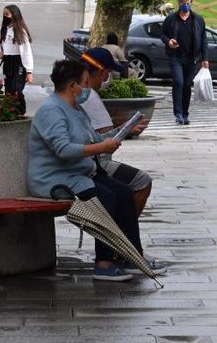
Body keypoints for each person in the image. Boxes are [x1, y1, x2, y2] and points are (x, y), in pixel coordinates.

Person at [27, 59, 166, 281]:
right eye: (84, 83)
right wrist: (102, 147)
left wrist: (124, 130)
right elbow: (63, 149)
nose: (87, 87)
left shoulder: (76, 108)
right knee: (106, 198)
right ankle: (103, 263)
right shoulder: (51, 110)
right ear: (73, 86)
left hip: (78, 173)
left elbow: (94, 138)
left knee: (124, 193)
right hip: (54, 179)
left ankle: (132, 255)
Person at [79, 48, 153, 216]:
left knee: (123, 191)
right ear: (103, 73)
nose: (108, 78)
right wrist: (121, 131)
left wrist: (124, 129)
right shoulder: (88, 96)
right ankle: (124, 232)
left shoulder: (81, 95)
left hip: (90, 160)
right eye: (109, 73)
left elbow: (98, 136)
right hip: (94, 164)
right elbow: (100, 140)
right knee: (143, 181)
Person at [160, 0, 208, 125]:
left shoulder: (198, 19)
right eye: (183, 4)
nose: (186, 6)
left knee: (187, 85)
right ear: (179, 4)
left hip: (192, 58)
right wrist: (168, 41)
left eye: (188, 4)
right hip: (176, 57)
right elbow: (162, 34)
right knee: (178, 82)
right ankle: (178, 113)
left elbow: (204, 39)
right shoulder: (171, 19)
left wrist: (205, 58)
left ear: (191, 3)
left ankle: (185, 114)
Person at [0, 5, 34, 112]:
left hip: (19, 62)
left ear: (14, 15)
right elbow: (0, 41)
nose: (5, 17)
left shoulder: (20, 31)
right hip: (7, 61)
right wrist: (2, 51)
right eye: (4, 15)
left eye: (7, 14)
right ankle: (10, 110)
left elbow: (26, 52)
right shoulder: (2, 29)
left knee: (16, 87)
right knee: (8, 87)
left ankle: (20, 110)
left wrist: (29, 71)